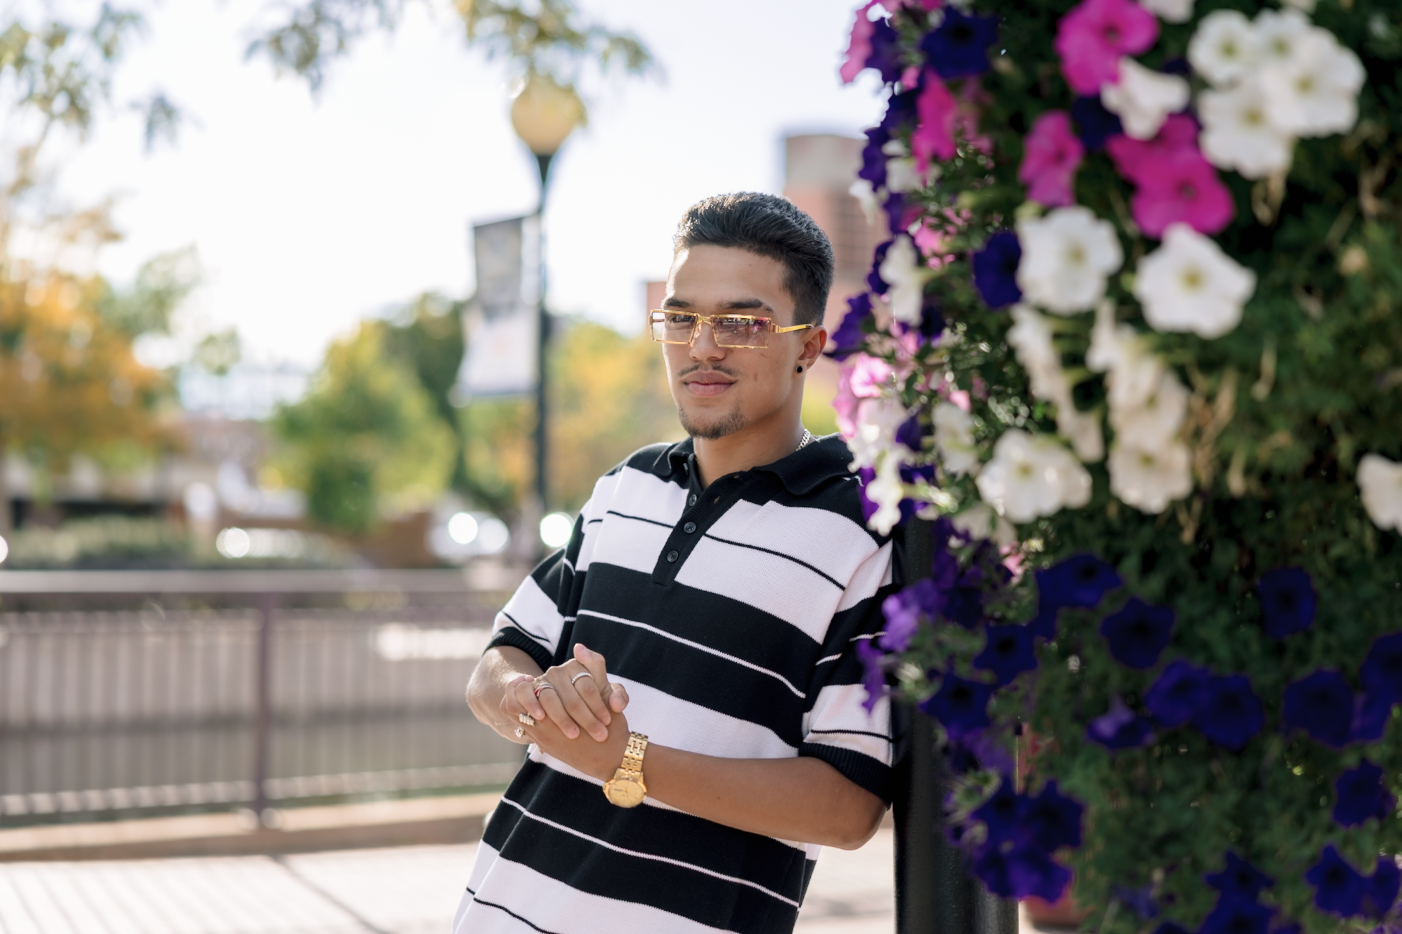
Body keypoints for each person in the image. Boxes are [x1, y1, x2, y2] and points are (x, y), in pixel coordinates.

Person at [456, 192, 898, 934]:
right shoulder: (624, 488)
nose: (702, 347)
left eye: (741, 323)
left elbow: (847, 805)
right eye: (682, 317)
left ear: (809, 346)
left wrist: (625, 760)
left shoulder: (861, 532)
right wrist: (540, 701)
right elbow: (496, 667)